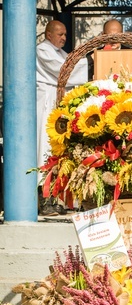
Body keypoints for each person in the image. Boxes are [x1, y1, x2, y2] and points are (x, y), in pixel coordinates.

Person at [37, 20, 88, 215]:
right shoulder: (43, 50)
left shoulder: (59, 52)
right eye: (60, 34)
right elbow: (64, 70)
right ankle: (45, 198)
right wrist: (89, 60)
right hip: (46, 104)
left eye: (65, 34)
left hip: (57, 103)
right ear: (48, 34)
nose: (64, 38)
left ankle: (58, 198)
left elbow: (69, 64)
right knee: (45, 148)